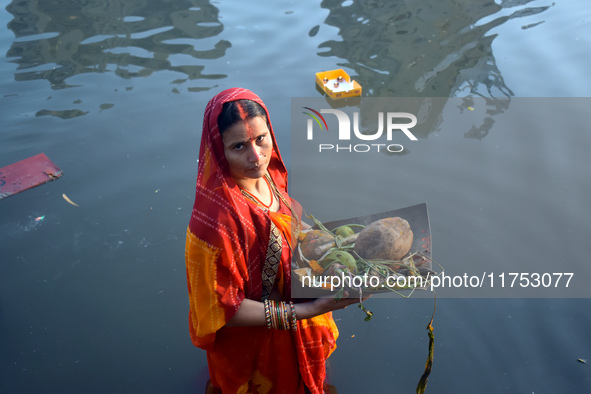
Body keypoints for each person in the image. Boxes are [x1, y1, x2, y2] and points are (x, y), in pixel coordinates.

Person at [185, 88, 362, 393]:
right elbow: (220, 311)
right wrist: (310, 310)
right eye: (239, 146)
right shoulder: (216, 221)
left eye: (261, 139)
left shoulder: (269, 176)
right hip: (254, 344)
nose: (256, 157)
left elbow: (287, 228)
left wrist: (344, 251)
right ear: (218, 150)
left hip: (293, 312)